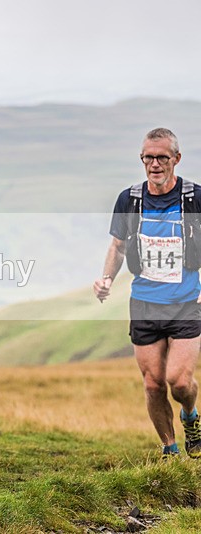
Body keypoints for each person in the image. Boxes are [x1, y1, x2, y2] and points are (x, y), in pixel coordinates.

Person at [94, 127, 201, 459]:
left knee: (179, 382)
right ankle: (170, 450)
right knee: (153, 384)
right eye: (148, 157)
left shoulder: (194, 197)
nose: (154, 164)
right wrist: (106, 279)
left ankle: (190, 416)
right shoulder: (130, 199)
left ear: (176, 159)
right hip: (144, 304)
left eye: (161, 157)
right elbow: (118, 245)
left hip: (186, 303)